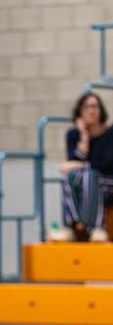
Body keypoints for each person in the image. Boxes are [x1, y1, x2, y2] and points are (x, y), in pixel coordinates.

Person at [54, 92, 113, 242]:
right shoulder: (73, 135)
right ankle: (73, 226)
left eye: (95, 106)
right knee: (69, 177)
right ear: (80, 111)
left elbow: (107, 164)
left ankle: (97, 228)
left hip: (109, 181)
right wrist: (84, 137)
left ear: (101, 110)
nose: (92, 111)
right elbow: (72, 167)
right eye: (87, 107)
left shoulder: (110, 133)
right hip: (89, 182)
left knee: (89, 175)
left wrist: (82, 165)